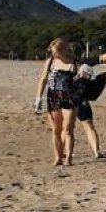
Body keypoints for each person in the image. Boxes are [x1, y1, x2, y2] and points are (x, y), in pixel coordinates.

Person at [34, 38, 81, 166]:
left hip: (70, 97)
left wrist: (79, 73)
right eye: (52, 52)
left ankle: (68, 157)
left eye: (56, 52)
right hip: (53, 97)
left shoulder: (74, 62)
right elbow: (43, 79)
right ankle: (58, 157)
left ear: (63, 50)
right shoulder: (50, 62)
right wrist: (38, 98)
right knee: (55, 129)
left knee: (68, 128)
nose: (54, 54)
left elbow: (82, 76)